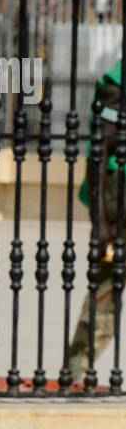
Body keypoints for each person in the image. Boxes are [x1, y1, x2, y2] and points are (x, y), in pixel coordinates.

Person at [68, 59, 125, 382]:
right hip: (120, 202)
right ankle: (76, 372)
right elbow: (100, 150)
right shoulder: (116, 82)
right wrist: (99, 220)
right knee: (104, 292)